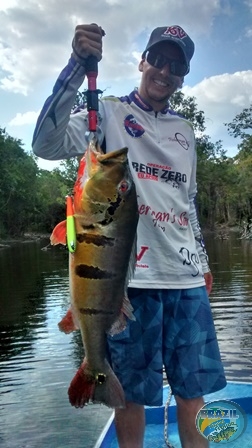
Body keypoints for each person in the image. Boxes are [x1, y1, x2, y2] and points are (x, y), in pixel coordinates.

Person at [32, 24, 226, 448]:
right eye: (158, 59)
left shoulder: (185, 132)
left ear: (183, 75)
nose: (165, 70)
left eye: (176, 65)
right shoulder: (109, 113)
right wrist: (74, 71)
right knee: (131, 398)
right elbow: (45, 144)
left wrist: (205, 265)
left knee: (194, 396)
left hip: (187, 282)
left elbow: (187, 203)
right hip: (129, 284)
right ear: (143, 61)